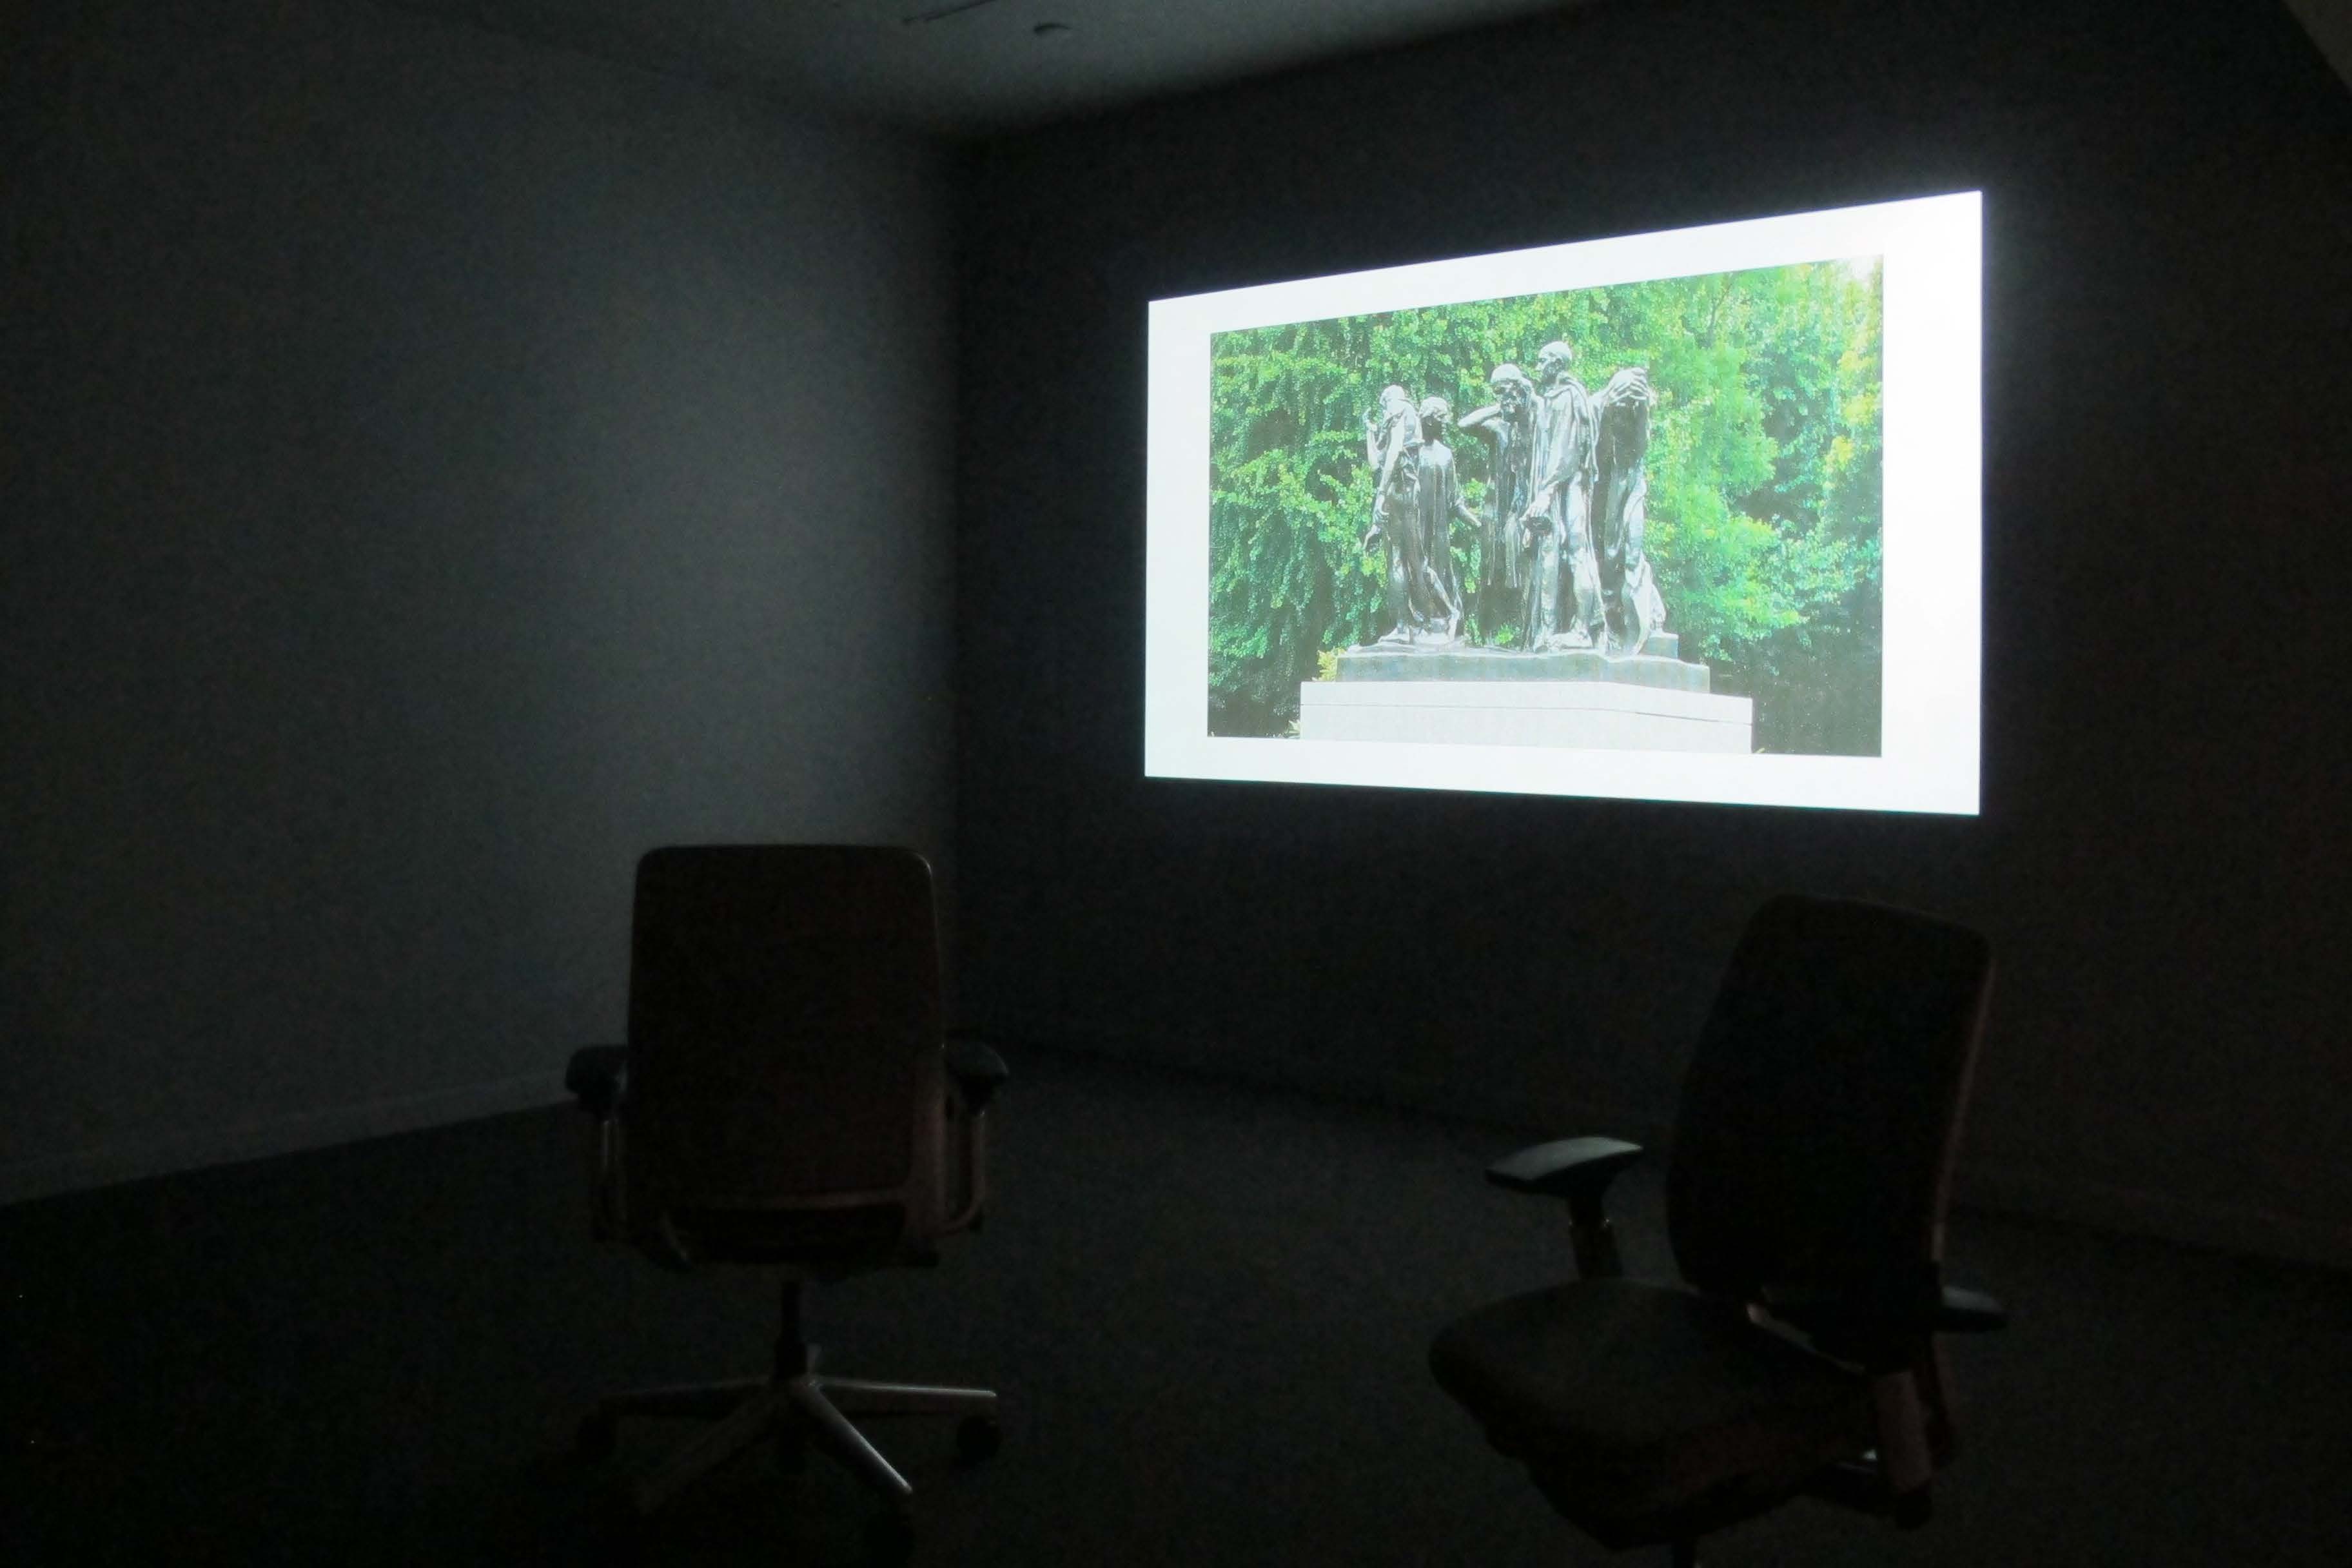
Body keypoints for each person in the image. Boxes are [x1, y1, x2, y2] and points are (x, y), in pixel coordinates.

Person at [1518, 340, 1605, 651]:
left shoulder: (1567, 397)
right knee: (1560, 554)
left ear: (1556, 364)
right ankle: (1552, 630)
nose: (1538, 367)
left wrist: (1546, 491)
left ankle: (1582, 630)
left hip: (1568, 488)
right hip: (1563, 488)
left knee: (1576, 552)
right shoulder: (1553, 398)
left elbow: (1565, 453)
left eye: (1543, 362)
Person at [1456, 364, 1536, 644]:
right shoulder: (1497, 428)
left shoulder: (1533, 425)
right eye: (1498, 393)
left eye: (1506, 391)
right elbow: (1464, 424)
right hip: (1494, 510)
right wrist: (1498, 407)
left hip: (1522, 510)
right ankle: (1486, 636)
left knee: (1525, 569)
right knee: (1490, 574)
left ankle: (1527, 635)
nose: (1503, 397)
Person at [1591, 366, 1667, 655]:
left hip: (1628, 487)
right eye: (1621, 403)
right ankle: (1608, 616)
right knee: (1607, 553)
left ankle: (1642, 621)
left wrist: (1642, 409)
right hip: (1599, 490)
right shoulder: (1598, 407)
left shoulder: (1638, 416)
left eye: (1630, 405)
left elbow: (1639, 449)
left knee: (1631, 550)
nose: (1624, 409)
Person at [1360, 385, 1429, 644]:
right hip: (1404, 493)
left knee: (1400, 560)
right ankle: (1421, 623)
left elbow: (1394, 453)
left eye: (1384, 406)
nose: (1384, 412)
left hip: (1399, 492)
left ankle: (1405, 628)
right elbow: (1374, 463)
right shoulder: (1407, 414)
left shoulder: (1399, 409)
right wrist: (1370, 433)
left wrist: (1380, 495)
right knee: (1412, 559)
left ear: (1389, 400)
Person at [1413, 395, 1478, 643]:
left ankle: (1447, 619)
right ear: (1429, 420)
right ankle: (1420, 623)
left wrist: (1476, 524)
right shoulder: (1411, 451)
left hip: (1438, 531)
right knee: (1417, 572)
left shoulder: (1446, 455)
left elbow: (1456, 501)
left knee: (1439, 571)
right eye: (1442, 419)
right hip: (1415, 526)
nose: (1446, 424)